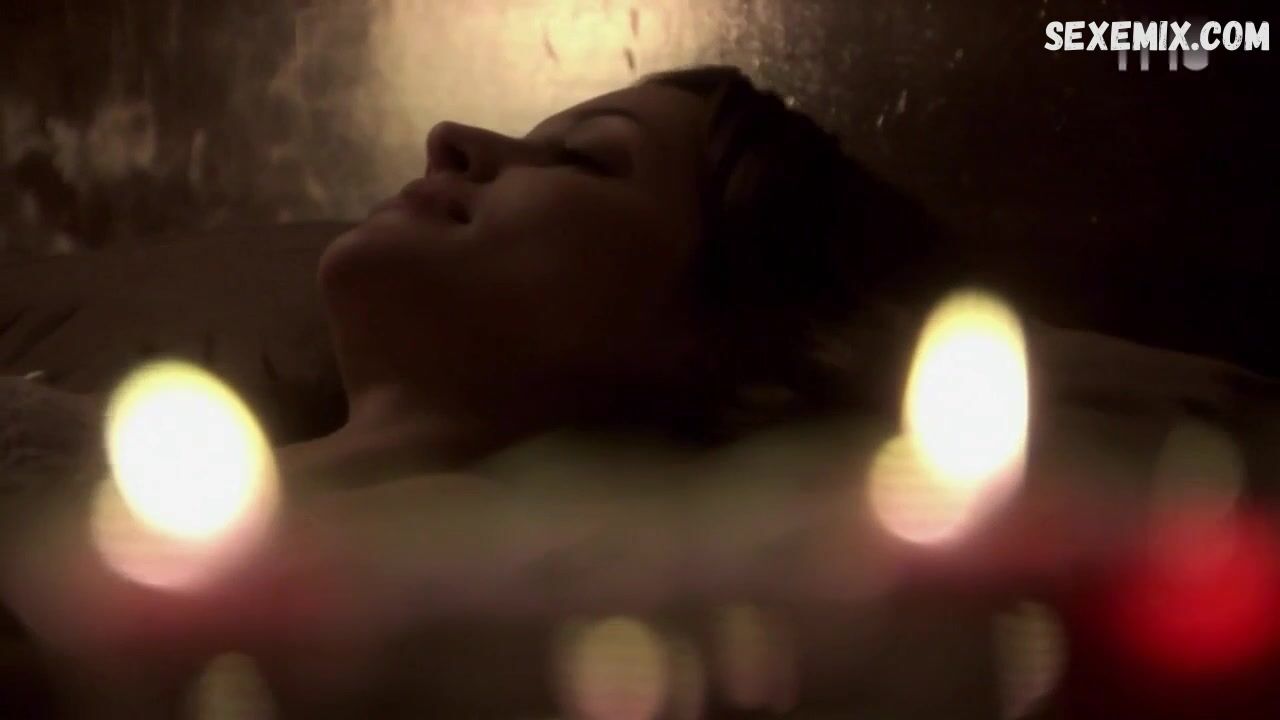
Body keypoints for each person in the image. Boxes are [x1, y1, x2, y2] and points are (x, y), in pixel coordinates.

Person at [2, 64, 1277, 718]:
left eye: (580, 162)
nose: (452, 141)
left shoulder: (477, 640)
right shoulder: (74, 466)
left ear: (713, 339)